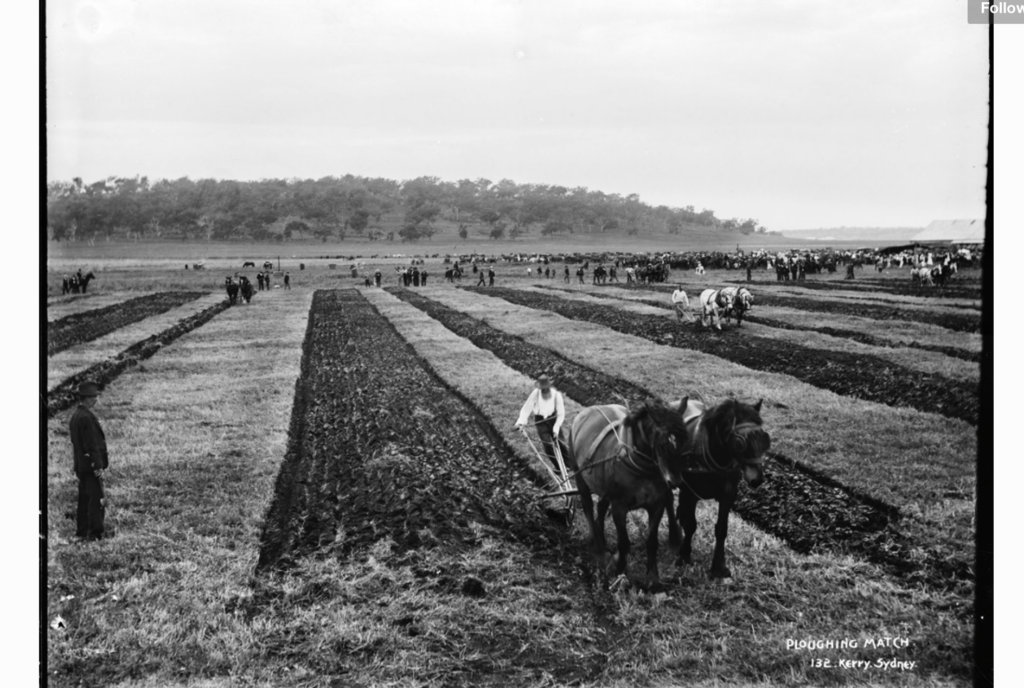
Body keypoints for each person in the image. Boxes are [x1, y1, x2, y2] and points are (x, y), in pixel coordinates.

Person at [69, 381, 109, 540]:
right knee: (97, 500)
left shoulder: (76, 415)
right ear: (85, 398)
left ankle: (82, 532)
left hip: (82, 466)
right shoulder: (86, 417)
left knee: (84, 501)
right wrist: (98, 466)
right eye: (93, 397)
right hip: (90, 466)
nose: (96, 400)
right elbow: (91, 445)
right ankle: (95, 534)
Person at [515, 374, 568, 470]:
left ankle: (570, 465)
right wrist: (521, 422)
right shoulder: (535, 394)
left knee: (561, 443)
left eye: (546, 388)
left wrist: (556, 429)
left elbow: (561, 414)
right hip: (540, 422)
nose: (544, 391)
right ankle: (558, 467)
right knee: (547, 445)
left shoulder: (557, 396)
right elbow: (527, 408)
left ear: (549, 387)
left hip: (553, 419)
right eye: (542, 389)